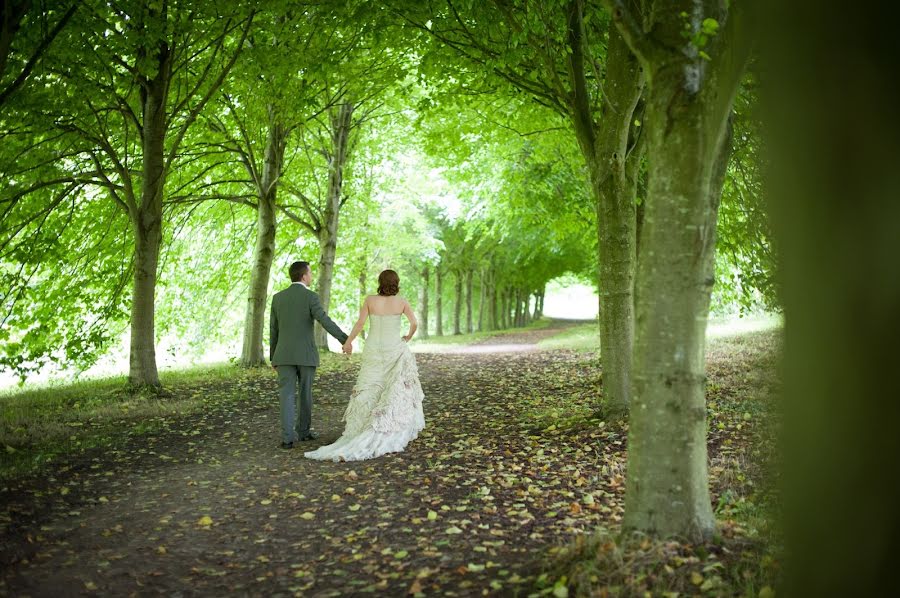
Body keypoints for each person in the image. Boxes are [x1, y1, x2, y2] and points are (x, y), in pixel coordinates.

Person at [304, 269, 425, 462]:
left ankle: (363, 426)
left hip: (373, 350)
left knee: (369, 386)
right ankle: (386, 425)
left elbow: (360, 324)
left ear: (380, 282)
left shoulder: (370, 300)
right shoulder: (401, 302)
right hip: (393, 347)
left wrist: (348, 342)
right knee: (392, 387)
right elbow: (414, 323)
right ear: (396, 283)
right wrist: (408, 337)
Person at [270, 261, 350, 449]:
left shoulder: (278, 298)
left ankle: (288, 438)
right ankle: (304, 432)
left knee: (286, 396)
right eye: (310, 273)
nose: (312, 276)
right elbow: (324, 320)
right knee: (305, 393)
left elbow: (273, 329)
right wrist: (344, 339)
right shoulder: (310, 297)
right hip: (306, 355)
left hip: (283, 355)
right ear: (304, 276)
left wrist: (273, 355)